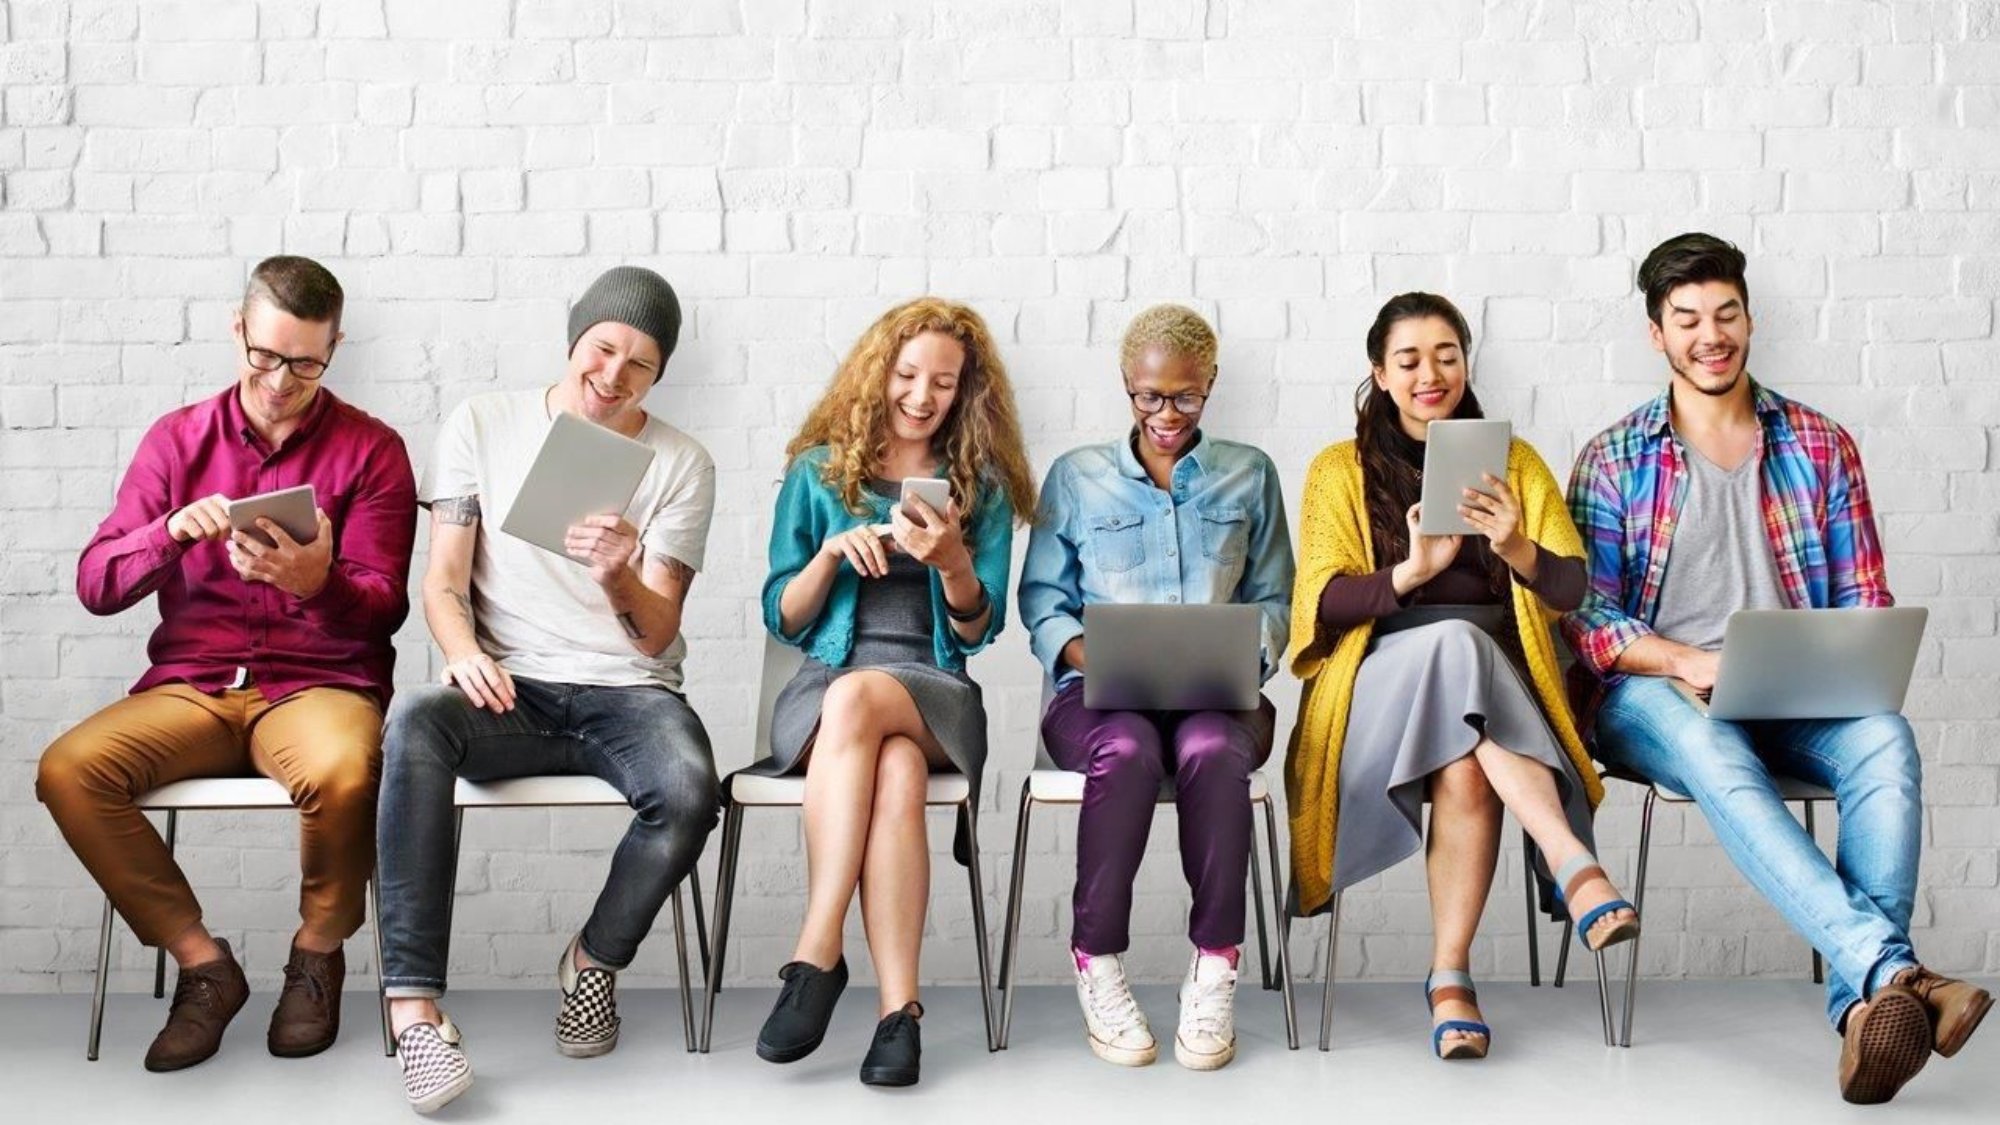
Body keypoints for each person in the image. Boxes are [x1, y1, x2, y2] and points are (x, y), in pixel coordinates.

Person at [1564, 233, 1990, 1104]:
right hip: (1655, 694)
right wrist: (1686, 659)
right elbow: (1589, 620)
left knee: (1886, 741)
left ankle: (1866, 1008)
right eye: (1687, 320)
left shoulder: (1821, 443)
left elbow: (1865, 594)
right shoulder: (1613, 456)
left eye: (1725, 314)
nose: (1709, 335)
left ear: (1750, 319)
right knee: (1719, 754)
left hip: (1794, 689)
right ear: (1657, 334)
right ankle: (1896, 972)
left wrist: (1841, 655)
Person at [37, 256, 416, 1071]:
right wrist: (168, 533)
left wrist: (318, 581)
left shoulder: (374, 450)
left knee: (349, 770)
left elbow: (387, 603)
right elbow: (95, 586)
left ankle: (317, 956)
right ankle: (204, 967)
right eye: (266, 355)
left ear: (335, 348)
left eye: (306, 361)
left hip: (320, 683)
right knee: (69, 769)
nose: (282, 380)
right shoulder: (177, 440)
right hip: (195, 686)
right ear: (238, 330)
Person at [375, 266, 720, 1114]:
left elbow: (659, 632)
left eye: (639, 364)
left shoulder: (681, 463)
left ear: (659, 375)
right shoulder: (482, 422)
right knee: (417, 718)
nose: (613, 375)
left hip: (628, 691)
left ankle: (594, 961)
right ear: (574, 341)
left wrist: (618, 576)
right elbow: (444, 582)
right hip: (509, 687)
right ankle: (416, 1011)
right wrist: (461, 654)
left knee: (688, 787)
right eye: (603, 349)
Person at [1286, 292, 1633, 1061]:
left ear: (1466, 363)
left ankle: (1450, 980)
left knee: (1469, 773)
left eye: (1446, 354)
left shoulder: (1514, 463)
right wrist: (1413, 572)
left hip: (1489, 702)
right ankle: (1574, 862)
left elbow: (1573, 592)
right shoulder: (1337, 470)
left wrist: (1518, 549)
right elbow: (1317, 604)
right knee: (1454, 644)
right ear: (1379, 373)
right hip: (1374, 689)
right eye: (1408, 359)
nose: (1430, 373)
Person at [752, 297, 1036, 1088]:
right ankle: (897, 1015)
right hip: (825, 688)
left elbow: (982, 632)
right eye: (908, 375)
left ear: (966, 391)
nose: (921, 395)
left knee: (862, 700)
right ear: (879, 371)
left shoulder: (978, 484)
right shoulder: (817, 471)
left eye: (943, 382)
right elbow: (782, 613)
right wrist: (830, 558)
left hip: (935, 689)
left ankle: (816, 951)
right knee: (896, 769)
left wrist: (952, 562)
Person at [1016, 304, 1294, 1072]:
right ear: (1125, 387)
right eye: (1148, 397)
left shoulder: (1250, 473)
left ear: (1210, 385)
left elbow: (1275, 598)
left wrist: (1245, 654)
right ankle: (1097, 959)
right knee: (1131, 747)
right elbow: (1041, 600)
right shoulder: (1078, 476)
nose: (1166, 414)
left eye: (1185, 397)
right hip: (1099, 698)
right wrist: (1095, 654)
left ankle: (1215, 964)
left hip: (1217, 694)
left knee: (1208, 745)